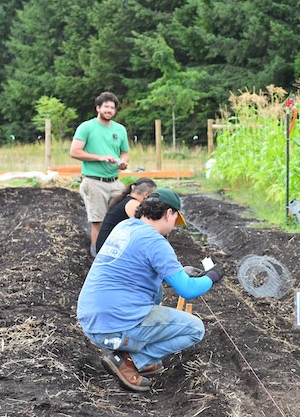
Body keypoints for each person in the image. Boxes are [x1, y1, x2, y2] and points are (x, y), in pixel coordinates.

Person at [76, 188, 225, 392]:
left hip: (91, 319)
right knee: (195, 328)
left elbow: (139, 269)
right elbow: (188, 290)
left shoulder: (125, 227)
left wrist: (180, 271)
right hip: (113, 324)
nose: (173, 228)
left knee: (156, 297)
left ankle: (133, 355)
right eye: (175, 220)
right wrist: (212, 276)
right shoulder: (155, 242)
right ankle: (130, 361)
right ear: (168, 213)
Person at [70, 91, 130, 256]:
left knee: (120, 220)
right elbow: (75, 152)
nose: (109, 110)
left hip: (115, 182)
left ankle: (116, 254)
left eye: (112, 107)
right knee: (99, 222)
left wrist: (124, 162)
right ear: (98, 108)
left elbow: (125, 152)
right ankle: (97, 255)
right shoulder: (87, 127)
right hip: (94, 181)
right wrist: (100, 157)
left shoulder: (120, 129)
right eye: (106, 107)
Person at [95, 177, 157, 252]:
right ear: (146, 195)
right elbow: (149, 227)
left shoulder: (125, 200)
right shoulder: (133, 204)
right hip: (108, 248)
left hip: (107, 246)